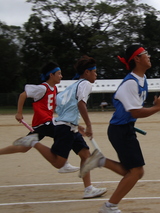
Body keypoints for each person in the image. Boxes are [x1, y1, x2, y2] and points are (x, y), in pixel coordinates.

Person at [79, 45, 160, 213]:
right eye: (145, 53)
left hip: (124, 129)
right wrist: (157, 108)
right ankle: (109, 206)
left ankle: (100, 161)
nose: (148, 56)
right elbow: (135, 111)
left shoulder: (142, 79)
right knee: (136, 172)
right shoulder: (130, 83)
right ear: (136, 59)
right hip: (120, 130)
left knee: (134, 172)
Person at [13, 56, 107, 198]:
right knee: (59, 162)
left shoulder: (74, 85)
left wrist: (77, 125)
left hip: (69, 126)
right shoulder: (85, 84)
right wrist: (88, 125)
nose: (96, 74)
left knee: (85, 154)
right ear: (87, 72)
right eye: (94, 71)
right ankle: (33, 141)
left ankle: (88, 189)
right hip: (65, 128)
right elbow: (81, 104)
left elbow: (62, 104)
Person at [0, 62, 79, 173]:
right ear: (51, 75)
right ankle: (63, 164)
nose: (61, 76)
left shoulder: (54, 89)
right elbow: (23, 95)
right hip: (44, 122)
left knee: (23, 148)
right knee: (64, 133)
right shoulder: (42, 88)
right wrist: (19, 113)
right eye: (59, 73)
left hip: (42, 124)